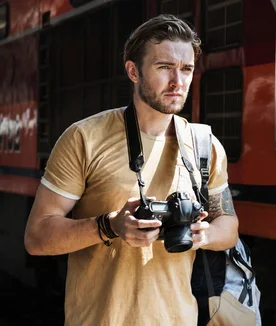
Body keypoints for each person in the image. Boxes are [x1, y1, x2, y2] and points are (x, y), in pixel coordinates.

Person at [24, 14, 239, 326]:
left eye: (187, 69)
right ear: (133, 71)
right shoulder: (84, 138)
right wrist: (110, 226)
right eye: (165, 67)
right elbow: (37, 237)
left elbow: (229, 227)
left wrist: (201, 236)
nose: (178, 82)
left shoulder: (206, 146)